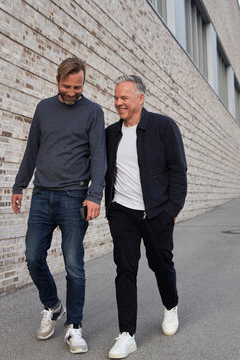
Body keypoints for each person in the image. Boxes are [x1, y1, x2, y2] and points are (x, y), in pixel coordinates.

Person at [11, 57, 106, 354]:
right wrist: (19, 185)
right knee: (33, 257)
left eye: (78, 87)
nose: (73, 92)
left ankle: (74, 327)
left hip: (75, 197)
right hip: (41, 195)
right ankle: (52, 305)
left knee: (74, 265)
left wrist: (95, 195)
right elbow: (32, 150)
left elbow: (99, 157)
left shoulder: (93, 112)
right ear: (57, 81)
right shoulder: (43, 108)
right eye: (67, 86)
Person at [104, 75, 187, 359]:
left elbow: (178, 170)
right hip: (122, 213)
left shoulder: (163, 126)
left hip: (156, 212)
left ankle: (170, 305)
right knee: (125, 270)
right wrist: (110, 210)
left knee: (161, 264)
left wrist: (171, 211)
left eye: (124, 98)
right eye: (116, 98)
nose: (118, 103)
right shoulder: (110, 133)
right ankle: (127, 334)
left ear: (141, 98)